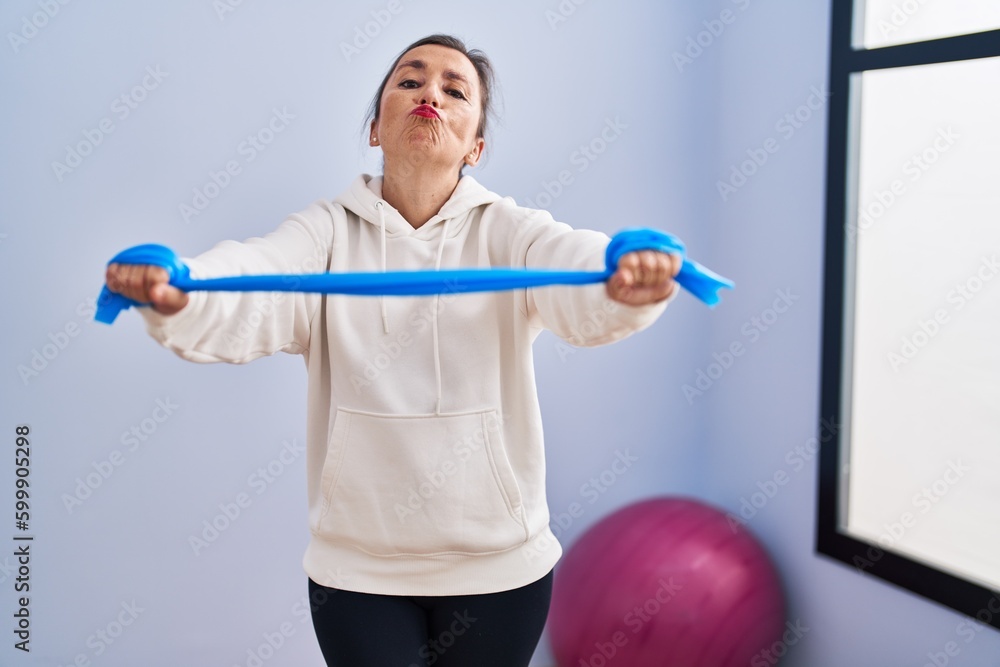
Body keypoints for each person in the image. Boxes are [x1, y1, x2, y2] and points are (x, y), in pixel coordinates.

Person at [105, 34, 680, 667]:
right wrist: (179, 290)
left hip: (499, 570)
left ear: (475, 147)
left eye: (455, 90)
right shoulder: (323, 233)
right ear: (376, 127)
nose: (430, 92)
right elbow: (254, 278)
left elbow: (576, 271)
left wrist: (625, 280)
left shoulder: (510, 231)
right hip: (358, 573)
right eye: (410, 81)